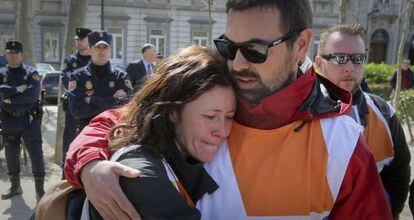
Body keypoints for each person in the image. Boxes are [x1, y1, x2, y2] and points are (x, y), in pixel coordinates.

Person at [66, 0, 392, 219]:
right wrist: (90, 166)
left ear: (302, 45)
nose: (237, 63)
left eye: (254, 50)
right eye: (229, 46)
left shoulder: (344, 144)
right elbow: (121, 120)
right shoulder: (215, 86)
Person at [77, 45, 236, 219]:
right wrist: (89, 163)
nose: (222, 131)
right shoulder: (139, 175)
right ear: (173, 111)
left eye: (229, 117)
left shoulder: (178, 153)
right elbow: (106, 121)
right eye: (210, 116)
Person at [315, 23, 411, 219]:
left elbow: (399, 172)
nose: (350, 68)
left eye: (358, 59)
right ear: (319, 62)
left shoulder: (383, 112)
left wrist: (390, 213)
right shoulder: (301, 115)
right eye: (339, 58)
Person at [0, 40, 45, 201]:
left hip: (29, 120)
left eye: (16, 53)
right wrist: (18, 90)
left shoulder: (31, 72)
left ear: (22, 54)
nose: (13, 56)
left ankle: (40, 190)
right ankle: (15, 186)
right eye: (10, 53)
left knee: (36, 154)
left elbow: (32, 96)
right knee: (11, 154)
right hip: (9, 121)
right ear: (5, 54)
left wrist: (9, 99)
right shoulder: (1, 73)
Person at [68, 31, 132, 132]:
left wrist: (93, 100)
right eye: (97, 47)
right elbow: (77, 111)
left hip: (114, 133)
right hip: (87, 132)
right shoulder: (78, 76)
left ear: (110, 51)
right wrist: (113, 99)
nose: (101, 52)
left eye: (105, 48)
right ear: (90, 50)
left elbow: (127, 108)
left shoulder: (120, 76)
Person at [60, 27, 91, 177]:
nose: (78, 42)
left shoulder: (95, 59)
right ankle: (65, 171)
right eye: (77, 40)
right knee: (69, 138)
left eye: (81, 39)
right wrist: (84, 92)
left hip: (91, 108)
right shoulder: (71, 60)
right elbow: (66, 80)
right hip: (74, 107)